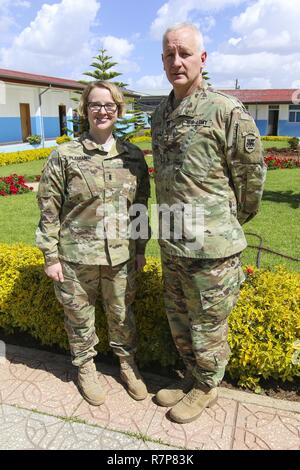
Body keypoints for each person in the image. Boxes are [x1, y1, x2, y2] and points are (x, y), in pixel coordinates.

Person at [151, 23, 266, 424]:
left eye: (184, 53)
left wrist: (229, 221)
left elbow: (251, 176)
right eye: (169, 55)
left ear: (203, 58)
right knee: (179, 318)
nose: (176, 61)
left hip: (211, 248)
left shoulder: (224, 111)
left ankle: (207, 387)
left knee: (208, 323)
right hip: (172, 241)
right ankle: (191, 376)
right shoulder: (161, 114)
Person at [36, 81, 150, 406]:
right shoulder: (65, 156)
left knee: (122, 314)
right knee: (79, 315)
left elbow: (140, 207)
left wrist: (140, 249)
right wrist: (50, 256)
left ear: (118, 110)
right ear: (85, 110)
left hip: (121, 256)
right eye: (95, 105)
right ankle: (86, 366)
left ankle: (128, 365)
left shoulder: (132, 157)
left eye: (109, 105)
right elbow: (48, 208)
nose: (102, 111)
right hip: (75, 256)